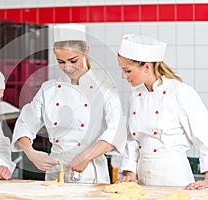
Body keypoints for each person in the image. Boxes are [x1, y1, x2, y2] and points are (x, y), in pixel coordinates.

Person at [11, 23, 126, 183]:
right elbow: (25, 124)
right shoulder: (49, 89)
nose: (68, 67)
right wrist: (31, 152)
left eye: (73, 60)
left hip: (90, 174)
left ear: (86, 50)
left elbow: (115, 132)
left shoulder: (106, 90)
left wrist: (86, 155)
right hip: (55, 172)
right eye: (61, 61)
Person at [116, 34, 208, 189]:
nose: (123, 76)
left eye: (127, 70)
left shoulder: (180, 92)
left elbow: (205, 135)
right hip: (143, 176)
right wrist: (130, 172)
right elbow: (133, 140)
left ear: (146, 67)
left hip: (174, 176)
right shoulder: (135, 96)